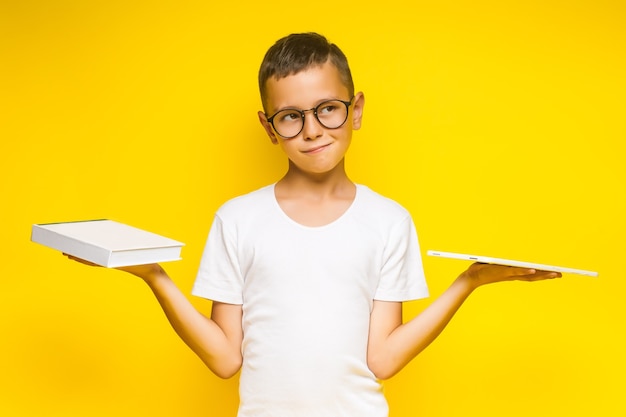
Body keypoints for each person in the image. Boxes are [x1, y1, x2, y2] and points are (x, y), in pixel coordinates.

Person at [67, 32, 561, 416]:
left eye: (328, 109)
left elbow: (383, 360)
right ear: (268, 127)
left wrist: (469, 281)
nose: (312, 130)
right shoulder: (237, 220)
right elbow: (224, 360)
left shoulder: (389, 221)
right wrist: (152, 275)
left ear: (356, 110)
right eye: (290, 116)